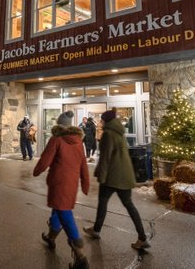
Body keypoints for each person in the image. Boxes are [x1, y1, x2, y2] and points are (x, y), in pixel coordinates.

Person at [83, 109, 149, 250]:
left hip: (112, 176)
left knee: (103, 202)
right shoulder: (119, 133)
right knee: (129, 205)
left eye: (102, 120)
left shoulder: (108, 134)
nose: (100, 122)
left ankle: (96, 230)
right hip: (125, 175)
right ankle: (142, 237)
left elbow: (106, 158)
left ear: (106, 121)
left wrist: (102, 175)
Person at [34, 111, 90, 269]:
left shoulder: (56, 139)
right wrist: (85, 183)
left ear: (59, 125)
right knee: (58, 209)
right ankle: (51, 238)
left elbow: (46, 158)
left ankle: (81, 257)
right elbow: (83, 164)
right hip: (71, 184)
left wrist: (37, 170)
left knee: (64, 212)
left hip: (58, 183)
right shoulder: (79, 142)